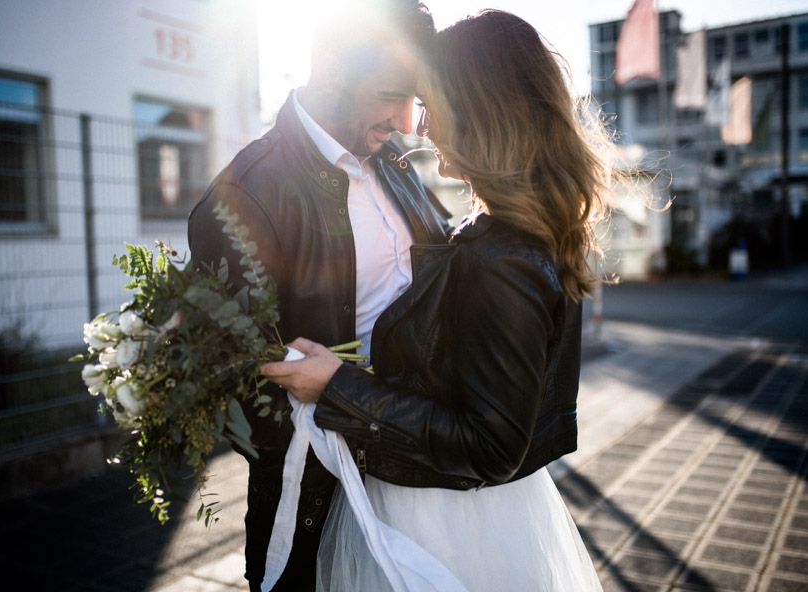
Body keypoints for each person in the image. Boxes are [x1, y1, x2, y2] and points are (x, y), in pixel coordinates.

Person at [260, 9, 614, 591]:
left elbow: (490, 443)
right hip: (475, 513)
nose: (418, 128)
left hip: (444, 521)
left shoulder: (502, 257)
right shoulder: (516, 231)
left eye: (430, 106)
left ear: (478, 111)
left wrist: (336, 387)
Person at [187, 2, 450, 590]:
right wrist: (372, 420)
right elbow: (248, 400)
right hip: (322, 506)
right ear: (331, 72)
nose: (408, 121)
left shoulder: (395, 163)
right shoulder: (246, 196)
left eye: (417, 100)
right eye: (391, 94)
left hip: (425, 481)